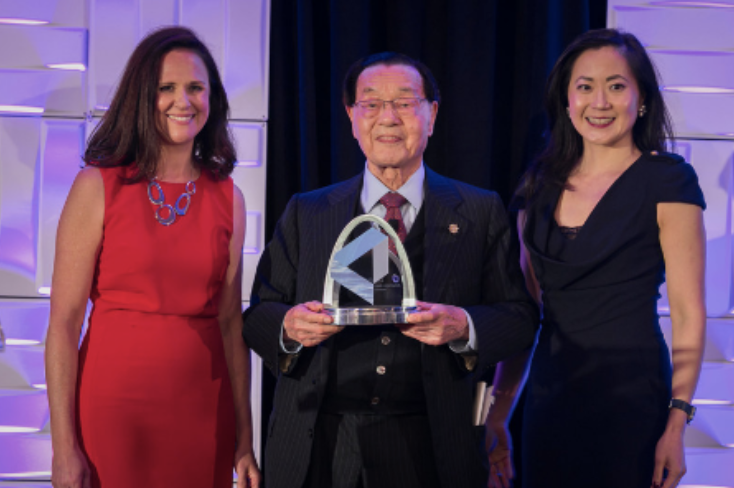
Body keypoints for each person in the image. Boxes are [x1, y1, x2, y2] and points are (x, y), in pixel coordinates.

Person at [242, 51, 539, 488]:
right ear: (351, 117)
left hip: (432, 445)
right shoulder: (308, 211)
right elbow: (257, 315)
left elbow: (519, 319)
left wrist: (464, 326)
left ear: (432, 114)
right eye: (371, 103)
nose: (388, 117)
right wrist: (288, 325)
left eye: (404, 102)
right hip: (320, 440)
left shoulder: (479, 211)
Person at [484, 29, 706, 488]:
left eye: (617, 85)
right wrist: (499, 413)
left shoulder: (669, 180)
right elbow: (527, 315)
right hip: (549, 399)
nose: (599, 102)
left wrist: (676, 423)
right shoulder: (538, 186)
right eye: (585, 86)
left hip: (633, 400)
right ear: (566, 101)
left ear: (641, 99)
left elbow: (687, 313)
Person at [45, 26, 260, 488]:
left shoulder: (230, 199)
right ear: (142, 96)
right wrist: (63, 449)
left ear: (212, 98)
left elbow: (230, 325)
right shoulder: (96, 187)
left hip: (203, 412)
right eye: (166, 88)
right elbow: (63, 324)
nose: (183, 100)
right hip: (112, 414)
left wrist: (244, 439)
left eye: (195, 87)